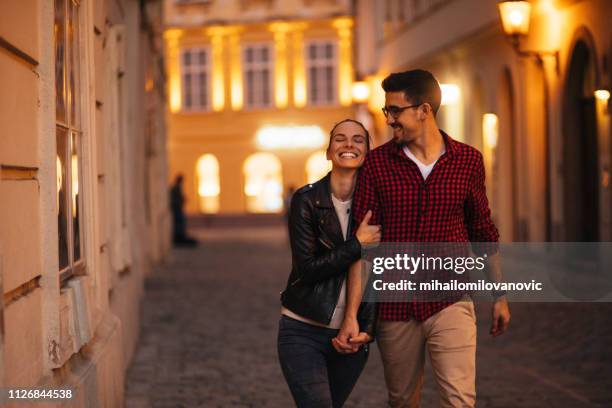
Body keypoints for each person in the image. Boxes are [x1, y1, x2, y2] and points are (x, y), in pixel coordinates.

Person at [338, 70, 511, 408]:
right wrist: (351, 314)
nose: (388, 120)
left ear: (424, 110)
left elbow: (482, 231)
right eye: (387, 111)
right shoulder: (376, 165)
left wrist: (499, 294)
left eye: (395, 111)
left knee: (459, 400)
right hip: (396, 307)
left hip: (451, 300)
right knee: (403, 400)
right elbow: (364, 247)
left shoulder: (468, 161)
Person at [278, 119, 380, 408]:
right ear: (328, 151)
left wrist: (367, 329)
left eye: (358, 139)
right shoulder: (306, 200)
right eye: (340, 138)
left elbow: (378, 273)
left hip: (352, 336)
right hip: (302, 329)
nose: (349, 144)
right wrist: (357, 245)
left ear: (368, 153)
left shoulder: (378, 205)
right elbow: (307, 269)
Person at [169, 174, 198, 247]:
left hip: (178, 209)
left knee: (180, 223)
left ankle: (180, 235)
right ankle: (178, 236)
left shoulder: (177, 188)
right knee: (179, 223)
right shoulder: (176, 188)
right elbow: (175, 199)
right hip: (177, 209)